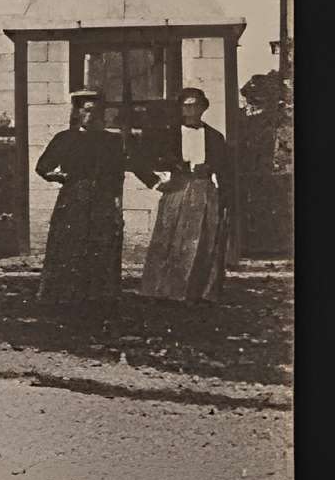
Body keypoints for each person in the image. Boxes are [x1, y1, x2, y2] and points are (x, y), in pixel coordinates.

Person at [36, 87, 145, 312]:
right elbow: (43, 167)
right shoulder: (64, 138)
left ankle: (100, 295)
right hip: (74, 198)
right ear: (78, 113)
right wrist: (58, 176)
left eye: (95, 111)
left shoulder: (111, 141)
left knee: (101, 244)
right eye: (86, 110)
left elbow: (118, 174)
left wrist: (117, 204)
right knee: (71, 244)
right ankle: (66, 294)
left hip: (103, 198)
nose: (90, 115)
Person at [140, 87, 232, 303]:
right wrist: (159, 179)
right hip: (178, 188)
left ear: (203, 108)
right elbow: (145, 158)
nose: (190, 110)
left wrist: (223, 195)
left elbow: (224, 169)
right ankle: (164, 290)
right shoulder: (169, 134)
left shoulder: (215, 136)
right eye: (186, 106)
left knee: (203, 240)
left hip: (205, 190)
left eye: (195, 106)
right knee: (170, 237)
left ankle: (199, 291)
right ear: (180, 109)